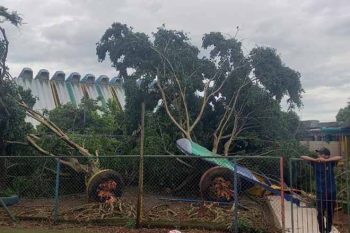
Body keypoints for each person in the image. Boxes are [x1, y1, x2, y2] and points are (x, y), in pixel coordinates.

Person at [301, 147, 342, 233]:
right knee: (320, 212)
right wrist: (315, 160)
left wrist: (327, 161)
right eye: (319, 154)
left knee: (330, 212)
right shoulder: (316, 163)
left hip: (331, 191)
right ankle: (322, 230)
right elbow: (302, 156)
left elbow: (340, 157)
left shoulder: (331, 162)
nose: (319, 155)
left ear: (327, 155)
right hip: (320, 192)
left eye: (321, 154)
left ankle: (328, 229)